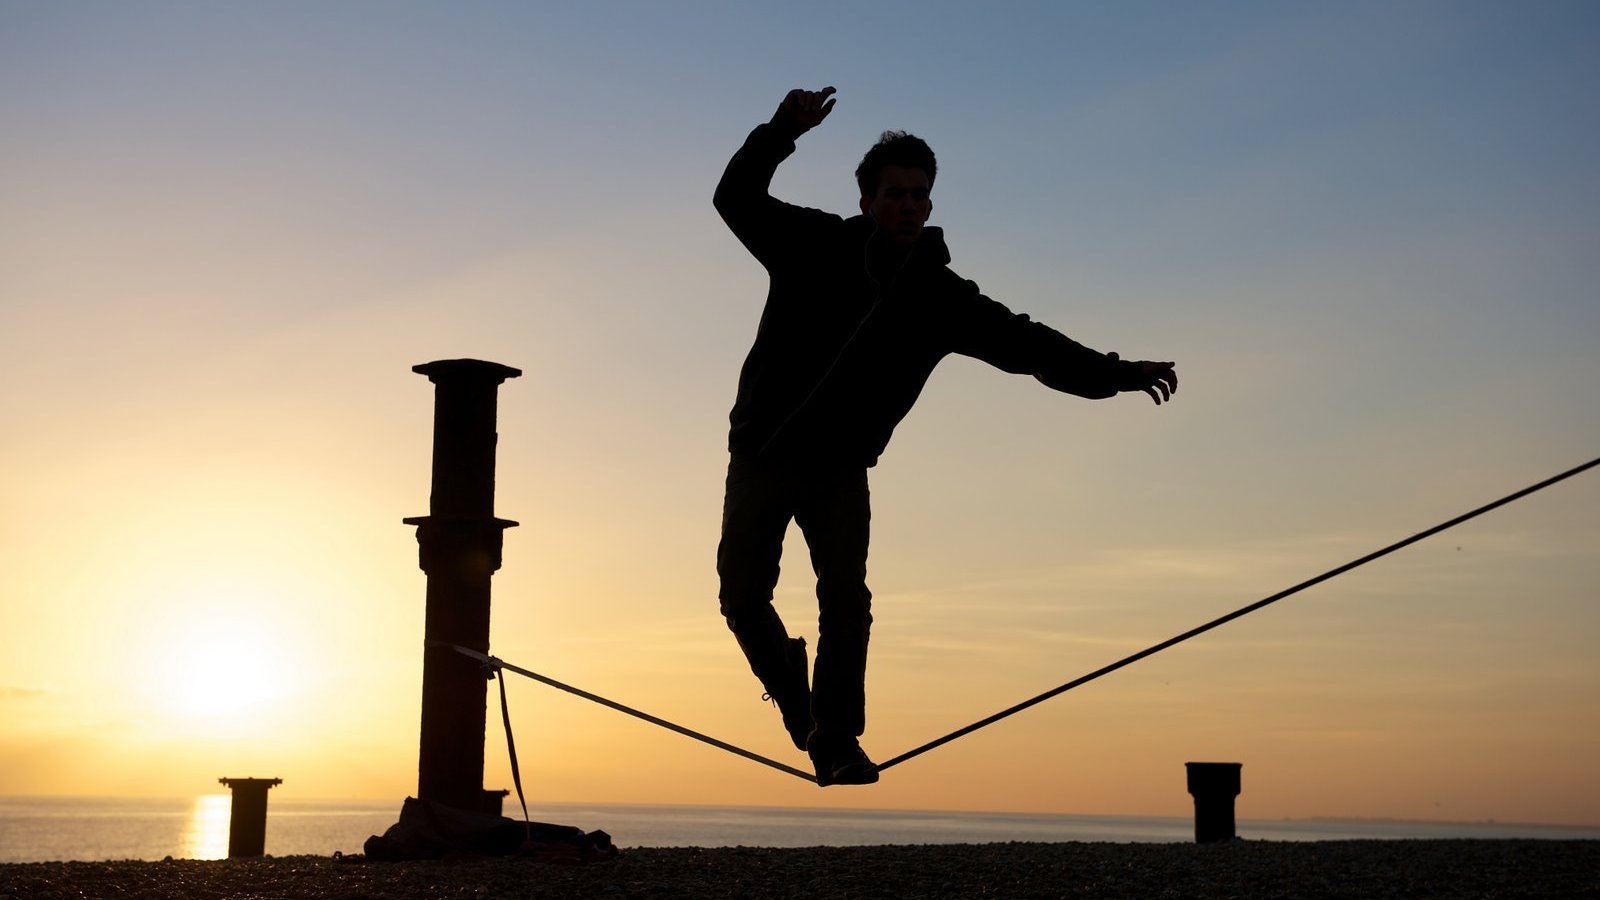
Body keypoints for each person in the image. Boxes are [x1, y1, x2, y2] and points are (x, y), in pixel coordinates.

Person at [713, 86, 1177, 787]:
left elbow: (1031, 345)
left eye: (919, 196)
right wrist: (783, 128)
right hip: (763, 450)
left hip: (839, 467)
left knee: (847, 597)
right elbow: (736, 198)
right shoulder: (811, 244)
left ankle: (836, 738)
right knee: (743, 599)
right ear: (866, 200)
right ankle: (798, 704)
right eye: (894, 193)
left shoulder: (939, 297)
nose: (907, 205)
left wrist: (1118, 373)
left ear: (929, 206)